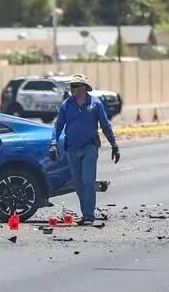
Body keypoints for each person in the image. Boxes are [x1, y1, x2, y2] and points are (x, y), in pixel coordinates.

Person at [49, 74, 120, 226]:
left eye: (75, 85)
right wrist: (53, 144)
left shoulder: (95, 104)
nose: (72, 88)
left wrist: (114, 145)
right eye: (71, 85)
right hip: (71, 148)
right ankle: (85, 212)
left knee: (88, 181)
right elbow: (58, 125)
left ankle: (88, 215)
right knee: (78, 183)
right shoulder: (66, 105)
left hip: (89, 146)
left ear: (83, 87)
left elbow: (105, 125)